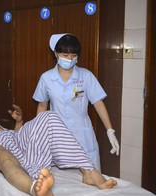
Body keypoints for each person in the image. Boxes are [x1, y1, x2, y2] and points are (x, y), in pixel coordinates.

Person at [0, 105, 117, 196]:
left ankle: (88, 171)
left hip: (13, 138)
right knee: (5, 158)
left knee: (48, 117)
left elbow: (12, 134)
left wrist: (19, 121)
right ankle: (36, 190)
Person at [32, 33, 120, 170]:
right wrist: (37, 133)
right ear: (56, 54)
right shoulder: (46, 78)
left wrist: (110, 130)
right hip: (57, 136)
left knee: (91, 178)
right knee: (62, 182)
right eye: (65, 55)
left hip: (82, 135)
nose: (70, 59)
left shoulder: (86, 76)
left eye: (73, 55)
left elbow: (98, 103)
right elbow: (42, 105)